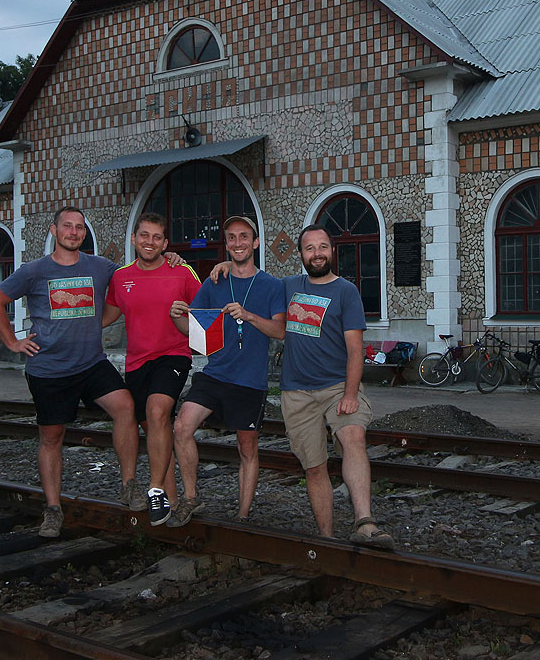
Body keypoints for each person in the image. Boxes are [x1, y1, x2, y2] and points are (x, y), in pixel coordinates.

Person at [212, 224, 394, 549]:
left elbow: (355, 350)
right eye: (310, 248)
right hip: (296, 392)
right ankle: (327, 537)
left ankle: (365, 522)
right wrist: (228, 265)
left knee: (353, 438)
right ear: (300, 254)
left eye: (323, 247)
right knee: (314, 466)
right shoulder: (287, 286)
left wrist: (351, 394)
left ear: (332, 251)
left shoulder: (346, 291)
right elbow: (251, 281)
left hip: (338, 386)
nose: (317, 254)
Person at [0, 206, 129, 538]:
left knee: (125, 407)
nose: (74, 232)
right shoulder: (34, 271)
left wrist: (174, 262)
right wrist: (13, 342)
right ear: (54, 230)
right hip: (48, 369)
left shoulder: (100, 266)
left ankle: (129, 485)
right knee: (52, 437)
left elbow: (132, 279)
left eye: (79, 227)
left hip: (91, 363)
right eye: (68, 226)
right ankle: (53, 509)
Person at [167, 215, 286, 527]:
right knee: (181, 427)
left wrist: (247, 315)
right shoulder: (214, 281)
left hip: (249, 380)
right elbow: (193, 333)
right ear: (227, 244)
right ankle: (191, 497)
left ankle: (243, 515)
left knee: (247, 448)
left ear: (255, 242)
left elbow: (280, 331)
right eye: (231, 237)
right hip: (215, 373)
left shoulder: (272, 285)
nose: (238, 243)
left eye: (244, 236)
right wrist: (177, 315)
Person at [104, 212, 201, 525]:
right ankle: (170, 502)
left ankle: (155, 489)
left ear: (165, 243)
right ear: (134, 239)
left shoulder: (181, 272)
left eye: (156, 237)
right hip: (136, 362)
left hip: (173, 355)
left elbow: (206, 310)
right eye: (144, 235)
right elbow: (105, 316)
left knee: (158, 412)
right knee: (155, 430)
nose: (150, 242)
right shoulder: (120, 277)